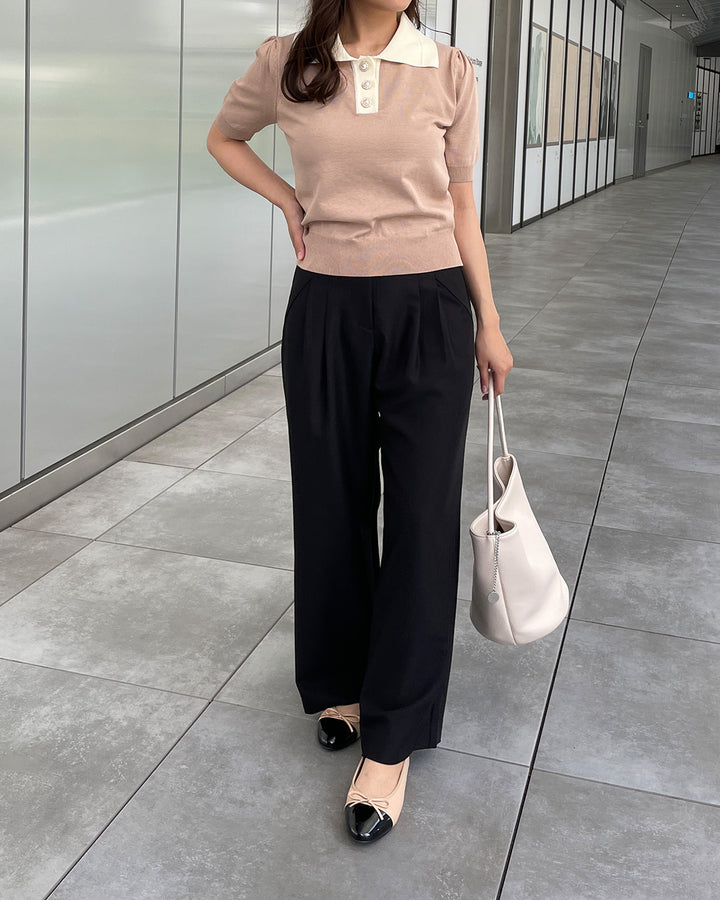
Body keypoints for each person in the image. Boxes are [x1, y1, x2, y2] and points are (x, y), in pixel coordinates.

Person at [207, 0, 513, 844]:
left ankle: (394, 736)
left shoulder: (449, 71)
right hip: (326, 309)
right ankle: (341, 683)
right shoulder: (287, 61)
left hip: (431, 309)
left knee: (420, 518)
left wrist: (488, 320)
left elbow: (461, 205)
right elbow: (224, 138)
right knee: (331, 502)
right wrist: (286, 200)